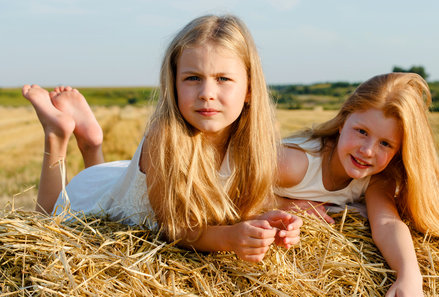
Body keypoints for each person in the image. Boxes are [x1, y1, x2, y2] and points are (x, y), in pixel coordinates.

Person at [22, 14, 302, 263]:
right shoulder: (165, 136)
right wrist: (230, 238)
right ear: (174, 83)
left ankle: (91, 143)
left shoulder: (253, 144)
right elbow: (174, 230)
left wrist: (264, 223)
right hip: (99, 206)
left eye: (223, 79)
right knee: (44, 225)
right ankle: (57, 134)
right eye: (193, 78)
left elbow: (229, 209)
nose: (207, 92)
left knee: (118, 185)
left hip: (127, 183)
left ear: (250, 89)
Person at [275, 72, 439, 297]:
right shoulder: (294, 163)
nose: (368, 150)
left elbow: (387, 223)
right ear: (342, 121)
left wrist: (409, 277)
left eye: (385, 143)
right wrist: (285, 203)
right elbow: (222, 190)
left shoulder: (377, 177)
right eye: (362, 132)